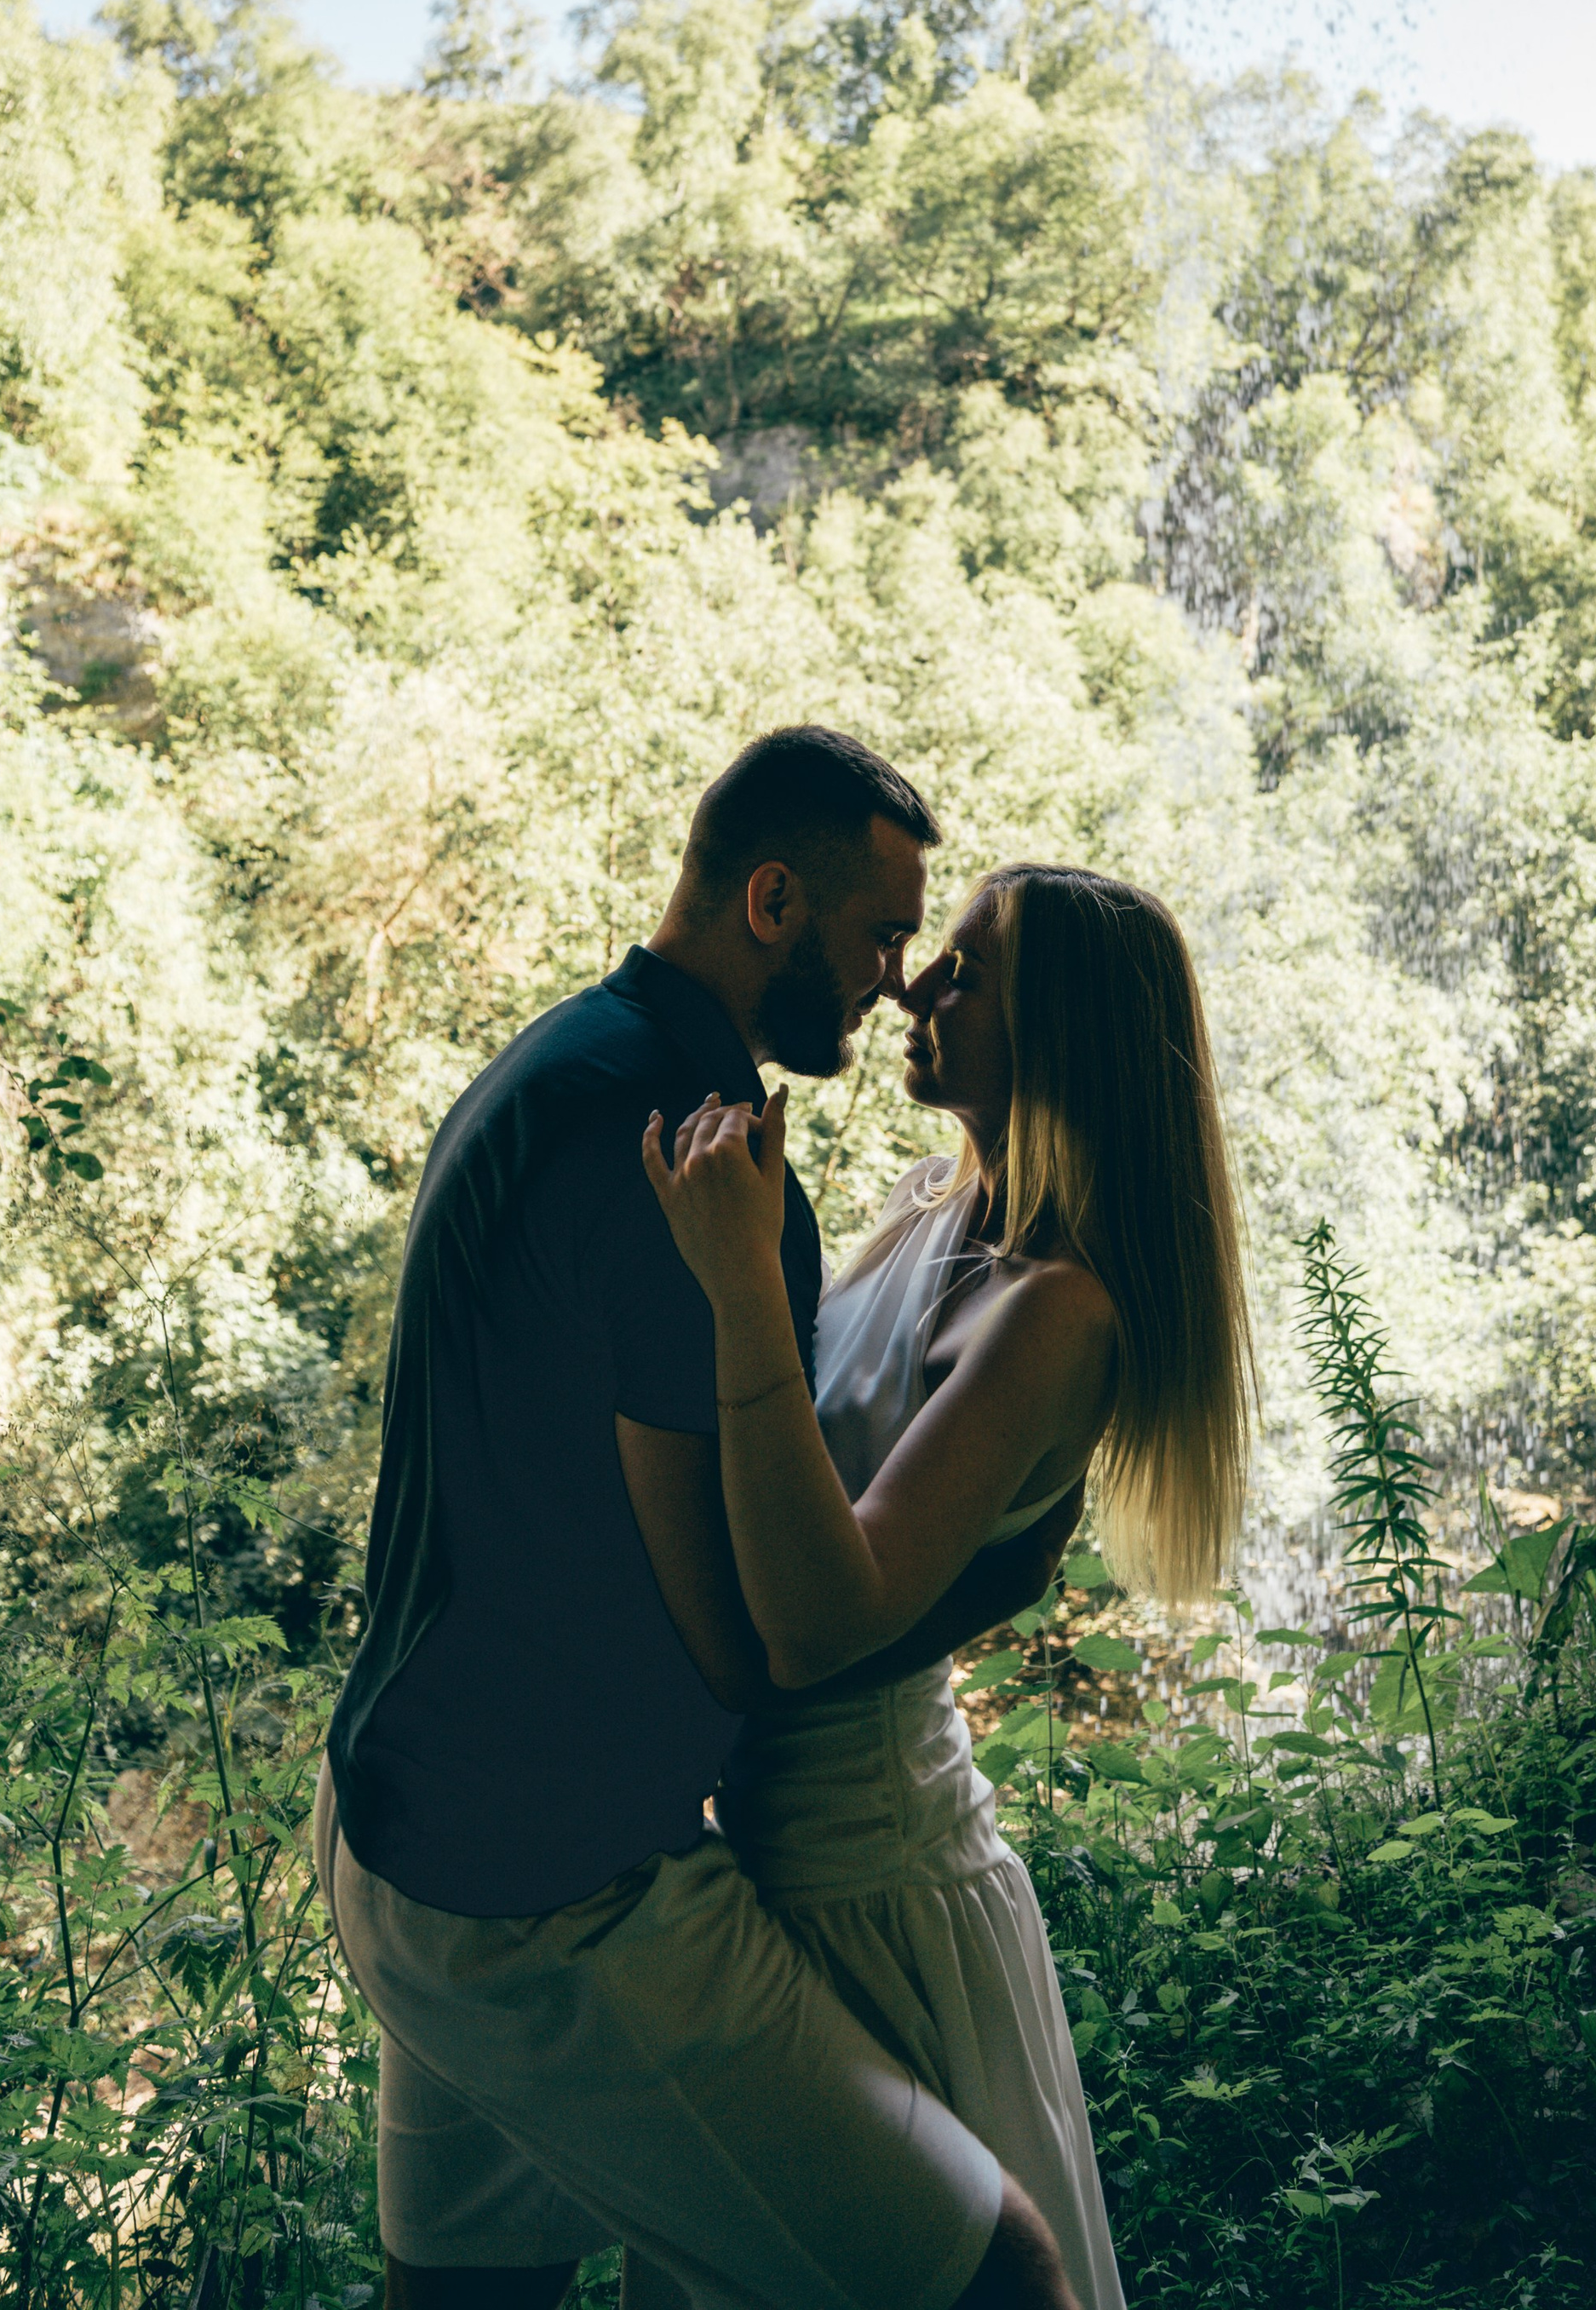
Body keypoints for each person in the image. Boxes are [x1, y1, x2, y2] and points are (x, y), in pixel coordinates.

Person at [314, 727, 1083, 2310]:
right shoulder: (699, 1162)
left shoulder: (561, 1060)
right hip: (554, 1890)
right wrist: (951, 1584)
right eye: (881, 938)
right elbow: (736, 1633)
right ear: (772, 901)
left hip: (396, 1820)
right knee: (1001, 2272)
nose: (892, 982)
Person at [641, 861, 1257, 2310]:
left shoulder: (1057, 1313)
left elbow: (819, 1616)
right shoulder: (935, 1205)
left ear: (1072, 1039)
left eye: (969, 973)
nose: (916, 987)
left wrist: (740, 1287)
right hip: (755, 1848)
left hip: (867, 1882)